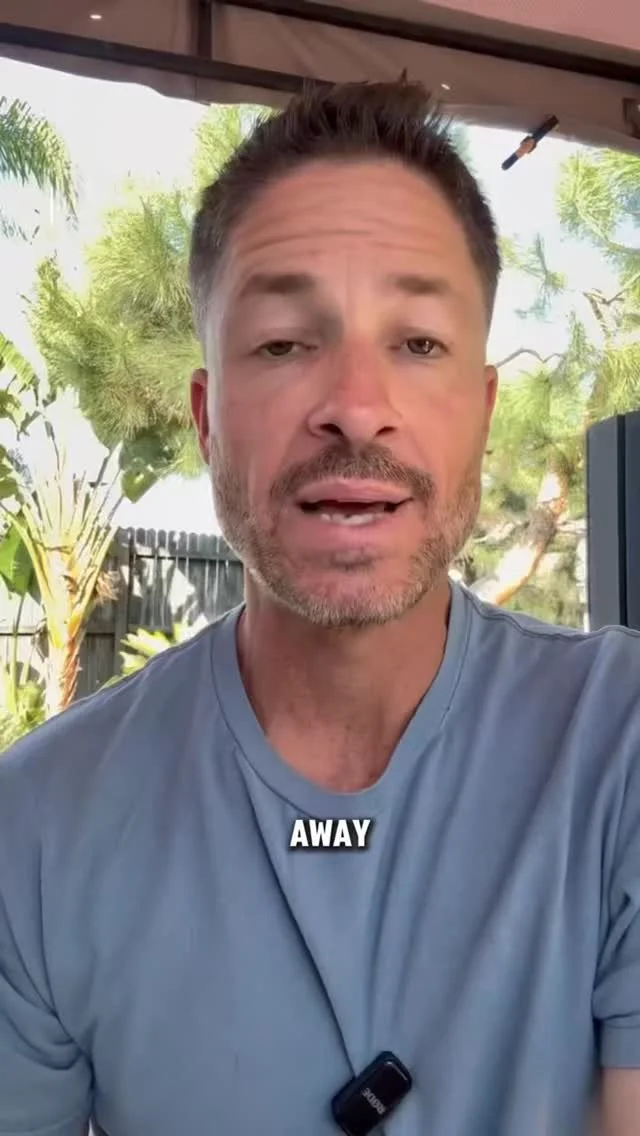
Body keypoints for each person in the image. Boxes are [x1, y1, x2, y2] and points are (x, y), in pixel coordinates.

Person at [0, 78, 639, 1136]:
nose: (355, 405)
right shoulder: (34, 828)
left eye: (418, 342)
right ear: (207, 417)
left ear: (483, 414)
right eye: (284, 343)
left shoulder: (618, 744)